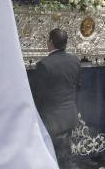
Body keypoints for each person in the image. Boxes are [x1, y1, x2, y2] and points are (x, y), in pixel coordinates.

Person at [31, 28, 81, 169]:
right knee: (65, 155)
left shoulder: (44, 65)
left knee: (54, 157)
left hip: (52, 120)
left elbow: (38, 94)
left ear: (50, 43)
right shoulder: (75, 61)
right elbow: (78, 86)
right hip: (69, 116)